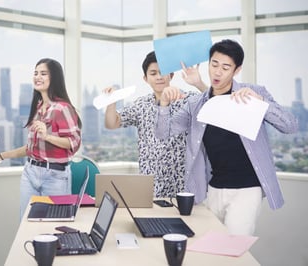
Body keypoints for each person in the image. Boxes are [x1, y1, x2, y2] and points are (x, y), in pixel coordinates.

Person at [155, 39, 298, 235]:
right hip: (212, 189)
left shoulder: (254, 93)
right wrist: (163, 104)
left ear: (236, 70)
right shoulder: (196, 103)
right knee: (209, 244)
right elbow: (163, 133)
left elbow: (290, 126)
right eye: (214, 64)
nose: (217, 72)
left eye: (225, 67)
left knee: (235, 244)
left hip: (247, 189)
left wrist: (261, 103)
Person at [104, 51, 207, 198]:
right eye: (153, 73)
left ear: (171, 75)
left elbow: (213, 104)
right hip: (151, 184)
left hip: (183, 182)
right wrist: (111, 102)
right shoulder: (141, 104)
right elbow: (112, 123)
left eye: (162, 72)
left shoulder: (187, 99)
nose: (159, 77)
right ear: (145, 78)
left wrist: (199, 83)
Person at [0, 58, 82, 219]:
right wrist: (0, 156)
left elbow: (73, 143)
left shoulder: (62, 108)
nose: (37, 77)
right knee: (26, 224)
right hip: (30, 172)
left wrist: (47, 136)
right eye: (36, 73)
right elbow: (30, 149)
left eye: (43, 73)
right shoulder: (38, 108)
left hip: (55, 176)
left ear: (54, 78)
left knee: (53, 226)